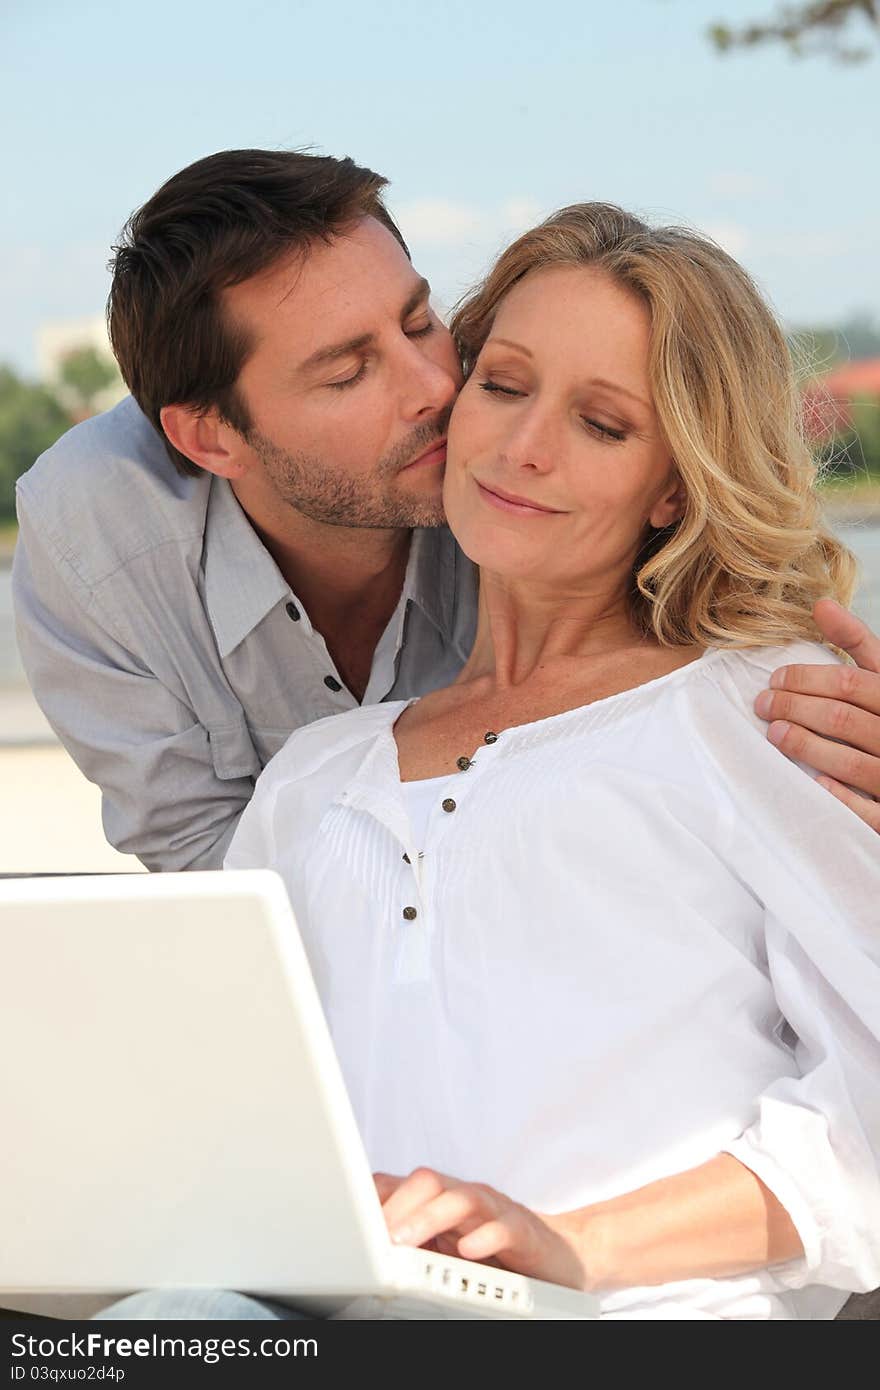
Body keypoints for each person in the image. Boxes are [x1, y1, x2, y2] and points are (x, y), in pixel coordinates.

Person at [108, 201, 879, 1321]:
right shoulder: (317, 775)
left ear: (673, 485)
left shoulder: (767, 710)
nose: (524, 446)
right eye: (504, 384)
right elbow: (244, 1118)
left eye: (603, 423)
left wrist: (565, 1245)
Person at [11, 151, 880, 873]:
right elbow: (209, 872)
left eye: (420, 321)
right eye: (349, 372)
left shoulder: (516, 483)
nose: (440, 388)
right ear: (210, 440)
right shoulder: (97, 536)